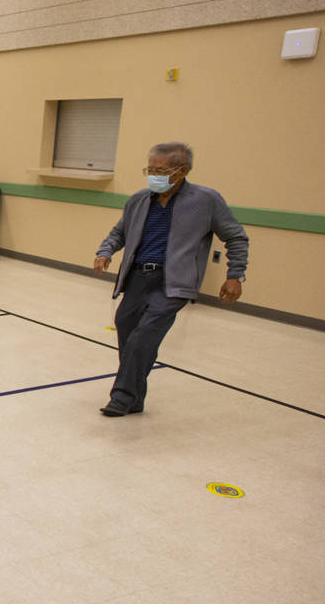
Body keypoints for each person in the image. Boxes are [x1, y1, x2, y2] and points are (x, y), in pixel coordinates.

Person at [93, 142, 249, 417]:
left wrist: (234, 275)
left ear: (182, 171)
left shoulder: (206, 201)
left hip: (173, 282)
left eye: (160, 170)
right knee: (126, 328)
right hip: (138, 277)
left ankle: (121, 397)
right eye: (150, 169)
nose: (154, 175)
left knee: (143, 337)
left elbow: (235, 237)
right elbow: (119, 233)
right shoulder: (139, 200)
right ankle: (136, 398)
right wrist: (105, 252)